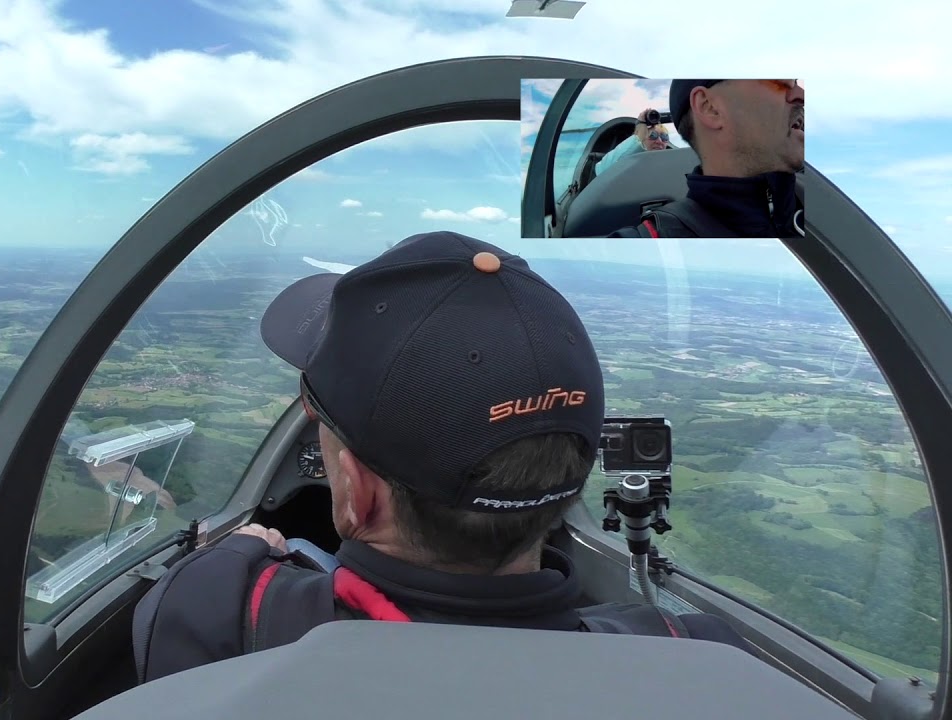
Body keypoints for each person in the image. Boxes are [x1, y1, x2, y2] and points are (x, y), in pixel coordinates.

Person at [131, 231, 751, 684]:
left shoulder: (219, 615)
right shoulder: (693, 654)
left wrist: (243, 552)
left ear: (353, 493)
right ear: (569, 479)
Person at [608, 79, 805, 238]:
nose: (801, 95)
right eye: (779, 82)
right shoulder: (658, 239)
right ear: (709, 108)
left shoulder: (807, 192)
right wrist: (639, 134)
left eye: (664, 137)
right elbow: (602, 170)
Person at [593, 108, 673, 177]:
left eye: (664, 137)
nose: (659, 141)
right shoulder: (630, 162)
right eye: (652, 135)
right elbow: (602, 171)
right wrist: (641, 127)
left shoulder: (670, 165)